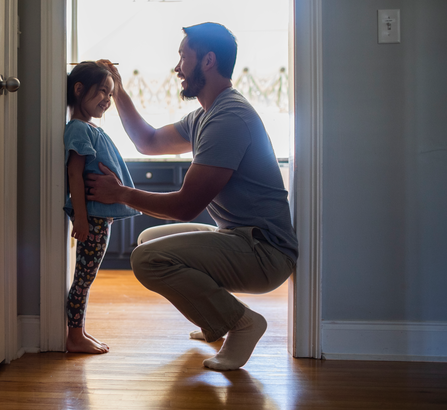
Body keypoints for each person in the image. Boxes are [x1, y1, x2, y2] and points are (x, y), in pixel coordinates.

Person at [87, 23, 298, 370]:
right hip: (240, 239)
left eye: (184, 56)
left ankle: (242, 323)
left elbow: (186, 207)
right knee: (149, 239)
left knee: (147, 259)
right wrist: (120, 92)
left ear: (208, 61)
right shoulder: (205, 115)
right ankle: (213, 317)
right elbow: (149, 141)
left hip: (265, 254)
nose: (177, 67)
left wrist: (120, 193)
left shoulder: (229, 118)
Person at [63, 61, 141, 354]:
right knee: (83, 279)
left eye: (111, 94)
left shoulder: (89, 128)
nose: (108, 99)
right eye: (102, 92)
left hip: (99, 217)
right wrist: (81, 218)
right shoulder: (79, 129)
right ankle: (74, 336)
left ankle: (79, 331)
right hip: (92, 218)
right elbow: (74, 174)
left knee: (86, 277)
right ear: (79, 90)